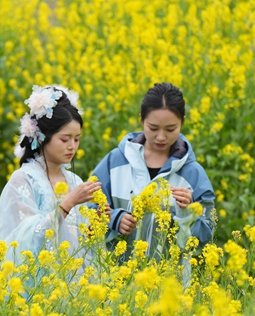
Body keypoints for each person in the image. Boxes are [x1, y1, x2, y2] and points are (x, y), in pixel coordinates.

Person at [92, 82, 215, 260]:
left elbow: (205, 238)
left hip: (168, 277)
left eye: (170, 129)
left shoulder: (193, 174)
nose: (161, 137)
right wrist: (113, 219)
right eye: (153, 128)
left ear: (182, 122)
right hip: (115, 274)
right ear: (141, 119)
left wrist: (188, 213)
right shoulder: (115, 162)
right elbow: (86, 208)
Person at [0, 85, 102, 269]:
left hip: (71, 276)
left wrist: (96, 226)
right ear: (42, 137)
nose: (72, 146)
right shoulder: (23, 180)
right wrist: (67, 204)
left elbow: (78, 242)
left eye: (77, 139)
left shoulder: (74, 181)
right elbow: (25, 241)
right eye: (65, 139)